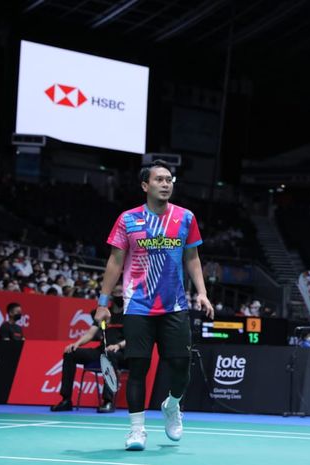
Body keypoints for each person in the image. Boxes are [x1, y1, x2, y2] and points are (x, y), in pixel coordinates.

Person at [94, 160, 214, 451]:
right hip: (138, 306)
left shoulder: (185, 217)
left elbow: (193, 258)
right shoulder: (128, 219)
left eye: (169, 179)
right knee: (138, 368)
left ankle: (171, 405)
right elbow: (115, 261)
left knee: (181, 367)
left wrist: (202, 292)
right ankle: (137, 431)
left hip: (174, 306)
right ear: (145, 185)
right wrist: (103, 302)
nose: (166, 183)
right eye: (159, 179)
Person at [51, 296, 125, 413]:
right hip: (102, 351)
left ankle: (107, 401)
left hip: (121, 353)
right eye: (116, 291)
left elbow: (133, 338)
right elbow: (90, 334)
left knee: (110, 355)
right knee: (71, 354)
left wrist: (118, 345)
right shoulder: (104, 313)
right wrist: (76, 344)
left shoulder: (130, 314)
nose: (119, 294)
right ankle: (66, 400)